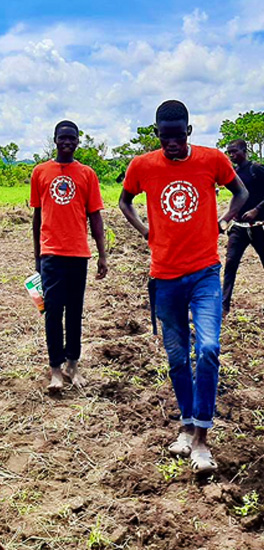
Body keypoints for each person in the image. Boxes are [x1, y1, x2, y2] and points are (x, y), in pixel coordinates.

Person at [118, 100, 244, 472]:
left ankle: (202, 438)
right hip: (165, 277)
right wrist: (146, 232)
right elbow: (125, 201)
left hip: (204, 273)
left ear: (188, 131)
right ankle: (186, 426)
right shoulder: (142, 166)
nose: (171, 143)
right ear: (157, 134)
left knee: (208, 349)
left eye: (178, 136)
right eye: (164, 137)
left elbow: (241, 193)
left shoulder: (212, 160)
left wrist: (224, 221)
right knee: (176, 358)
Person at [31, 121, 109, 394]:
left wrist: (102, 254)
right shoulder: (40, 172)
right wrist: (37, 256)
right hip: (51, 254)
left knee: (75, 312)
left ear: (77, 141)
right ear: (54, 139)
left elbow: (95, 216)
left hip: (78, 254)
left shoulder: (87, 174)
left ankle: (72, 365)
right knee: (52, 312)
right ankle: (55, 369)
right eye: (62, 137)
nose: (67, 142)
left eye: (72, 138)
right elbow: (37, 216)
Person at [221, 140, 264, 310]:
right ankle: (224, 306)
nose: (232, 155)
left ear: (244, 151)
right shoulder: (234, 173)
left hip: (258, 226)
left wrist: (256, 210)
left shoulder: (256, 169)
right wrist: (229, 215)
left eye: (235, 151)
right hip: (239, 227)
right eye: (229, 152)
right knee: (230, 264)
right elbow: (235, 197)